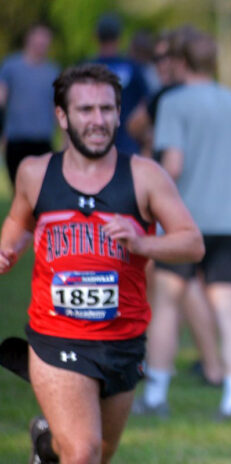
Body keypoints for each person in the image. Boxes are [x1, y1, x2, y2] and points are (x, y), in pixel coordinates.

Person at [0, 64, 204, 464]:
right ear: (62, 116)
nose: (98, 121)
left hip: (122, 340)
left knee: (97, 453)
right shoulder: (35, 173)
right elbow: (19, 223)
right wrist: (7, 250)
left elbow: (192, 243)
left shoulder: (145, 177)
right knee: (83, 451)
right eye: (86, 110)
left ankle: (46, 445)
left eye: (107, 110)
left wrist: (143, 242)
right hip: (56, 336)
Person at [133, 31, 231, 420]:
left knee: (167, 306)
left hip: (185, 223)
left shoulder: (174, 102)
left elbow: (172, 165)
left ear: (182, 62)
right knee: (229, 314)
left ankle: (156, 395)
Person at [127, 27, 224, 386]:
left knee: (173, 286)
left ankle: (166, 370)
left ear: (180, 60)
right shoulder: (215, 97)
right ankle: (212, 364)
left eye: (165, 57)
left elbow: (137, 126)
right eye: (157, 58)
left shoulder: (168, 98)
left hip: (177, 199)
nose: (161, 64)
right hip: (212, 202)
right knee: (187, 286)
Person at [0, 24, 60, 186]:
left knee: (42, 189)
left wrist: (65, 136)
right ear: (29, 39)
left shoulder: (52, 71)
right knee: (19, 187)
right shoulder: (11, 66)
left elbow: (57, 106)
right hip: (16, 139)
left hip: (42, 140)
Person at [91, 12, 149, 155]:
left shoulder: (85, 67)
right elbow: (147, 102)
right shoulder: (133, 68)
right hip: (128, 145)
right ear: (119, 38)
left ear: (96, 37)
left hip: (93, 142)